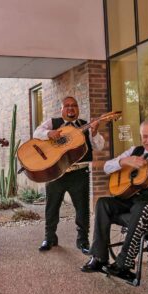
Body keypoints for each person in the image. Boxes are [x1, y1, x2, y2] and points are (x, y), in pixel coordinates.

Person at [81, 120, 148, 279]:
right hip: (133, 198)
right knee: (103, 203)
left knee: (142, 208)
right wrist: (123, 161)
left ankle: (124, 263)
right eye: (144, 137)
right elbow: (106, 167)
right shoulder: (134, 150)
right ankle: (98, 258)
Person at [33, 96, 105, 254]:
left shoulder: (84, 125)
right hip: (56, 173)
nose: (71, 108)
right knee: (52, 207)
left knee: (82, 209)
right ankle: (49, 237)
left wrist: (95, 131)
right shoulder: (53, 122)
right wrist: (49, 133)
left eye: (74, 105)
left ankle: (83, 241)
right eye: (67, 106)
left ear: (78, 109)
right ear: (62, 109)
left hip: (79, 173)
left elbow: (99, 146)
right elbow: (36, 133)